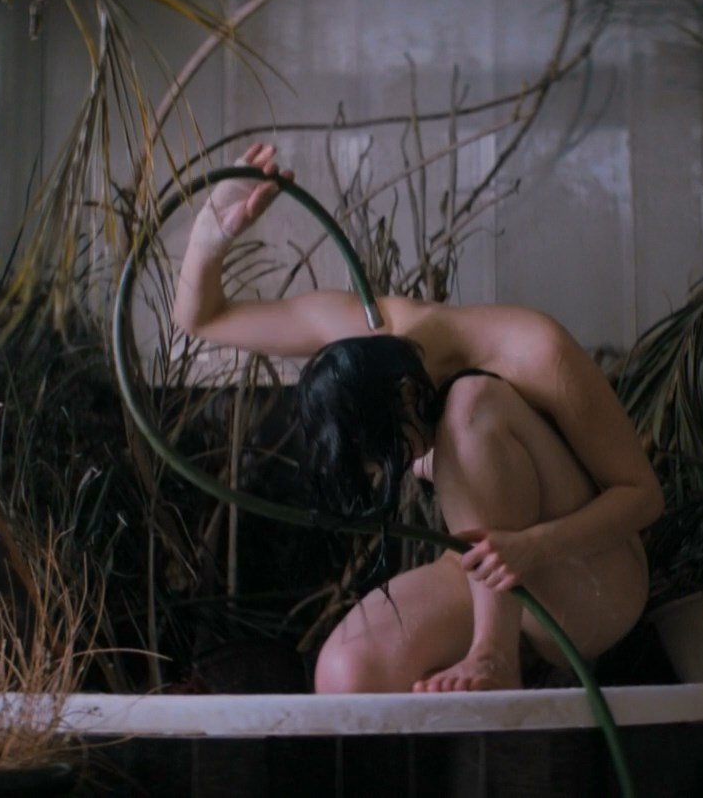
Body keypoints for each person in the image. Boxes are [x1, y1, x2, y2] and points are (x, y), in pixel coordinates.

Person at [171, 144, 660, 693]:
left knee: (471, 404)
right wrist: (211, 233)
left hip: (586, 580)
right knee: (347, 672)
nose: (403, 468)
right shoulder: (366, 337)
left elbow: (643, 496)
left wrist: (535, 547)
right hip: (487, 573)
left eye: (400, 454)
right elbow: (201, 317)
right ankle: (487, 658)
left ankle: (494, 654)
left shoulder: (535, 350)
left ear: (408, 395)